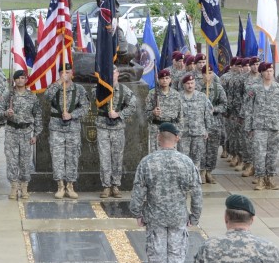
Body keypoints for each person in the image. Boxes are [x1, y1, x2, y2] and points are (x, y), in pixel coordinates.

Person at [130, 122, 202, 263]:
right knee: (177, 255)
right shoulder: (186, 162)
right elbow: (196, 192)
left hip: (155, 217)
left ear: (158, 138)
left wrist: (136, 212)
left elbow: (139, 190)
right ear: (176, 139)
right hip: (178, 217)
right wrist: (194, 216)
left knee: (157, 255)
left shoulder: (147, 162)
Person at [45, 64, 89, 199]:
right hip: (56, 128)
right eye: (63, 72)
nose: (65, 75)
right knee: (57, 157)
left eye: (68, 72)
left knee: (72, 157)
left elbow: (85, 107)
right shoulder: (55, 87)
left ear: (72, 74)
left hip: (73, 128)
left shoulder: (79, 89)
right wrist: (59, 83)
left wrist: (72, 115)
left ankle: (70, 185)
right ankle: (60, 186)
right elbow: (47, 97)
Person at [244, 62, 279, 190]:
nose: (269, 73)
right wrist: (249, 127)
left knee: (272, 154)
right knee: (259, 153)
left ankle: (270, 178)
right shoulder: (254, 88)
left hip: (275, 126)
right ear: (262, 72)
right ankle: (260, 179)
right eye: (267, 71)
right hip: (259, 126)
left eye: (271, 70)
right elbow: (249, 108)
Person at [95, 66, 137, 198]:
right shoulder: (100, 89)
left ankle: (116, 185)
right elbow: (92, 95)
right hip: (103, 127)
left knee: (117, 158)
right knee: (104, 158)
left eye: (113, 72)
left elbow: (133, 105)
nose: (111, 75)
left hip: (117, 128)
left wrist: (119, 114)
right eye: (108, 72)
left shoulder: (125, 90)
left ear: (118, 74)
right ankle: (106, 186)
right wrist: (105, 86)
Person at [2, 69, 42, 199]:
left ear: (26, 80)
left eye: (23, 78)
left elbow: (38, 116)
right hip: (12, 131)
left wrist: (35, 134)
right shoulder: (8, 95)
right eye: (18, 78)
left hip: (26, 132)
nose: (20, 80)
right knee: (12, 161)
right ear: (14, 80)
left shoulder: (32, 97)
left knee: (25, 161)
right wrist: (5, 113)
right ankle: (14, 187)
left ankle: (24, 187)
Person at [144, 68, 184, 153]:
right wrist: (153, 113)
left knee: (171, 155)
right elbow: (145, 114)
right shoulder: (152, 95)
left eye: (167, 78)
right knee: (155, 155)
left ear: (170, 80)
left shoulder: (176, 95)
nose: (164, 80)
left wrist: (179, 132)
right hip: (156, 129)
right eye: (162, 78)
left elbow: (180, 116)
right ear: (158, 80)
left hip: (172, 128)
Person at [178, 73, 212, 172]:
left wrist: (207, 130)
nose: (190, 85)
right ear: (184, 84)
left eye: (192, 83)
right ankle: (184, 179)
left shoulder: (202, 97)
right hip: (183, 133)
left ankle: (195, 180)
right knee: (183, 158)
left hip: (198, 133)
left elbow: (208, 114)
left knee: (197, 158)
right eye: (188, 83)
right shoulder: (178, 97)